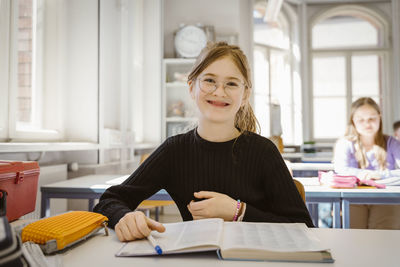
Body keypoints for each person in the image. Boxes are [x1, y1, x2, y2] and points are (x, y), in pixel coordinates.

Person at [94, 42, 313, 242]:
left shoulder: (264, 151)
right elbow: (109, 201)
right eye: (209, 80)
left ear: (245, 95)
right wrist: (125, 217)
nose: (219, 92)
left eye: (231, 83)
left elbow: (304, 227)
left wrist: (238, 211)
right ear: (191, 87)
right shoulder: (175, 150)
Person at [334, 97, 400, 229]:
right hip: (352, 199)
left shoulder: (392, 143)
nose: (367, 124)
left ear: (379, 118)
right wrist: (364, 174)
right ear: (353, 120)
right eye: (361, 120)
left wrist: (380, 175)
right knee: (355, 239)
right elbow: (340, 169)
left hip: (386, 199)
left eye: (372, 118)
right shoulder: (345, 143)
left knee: (384, 240)